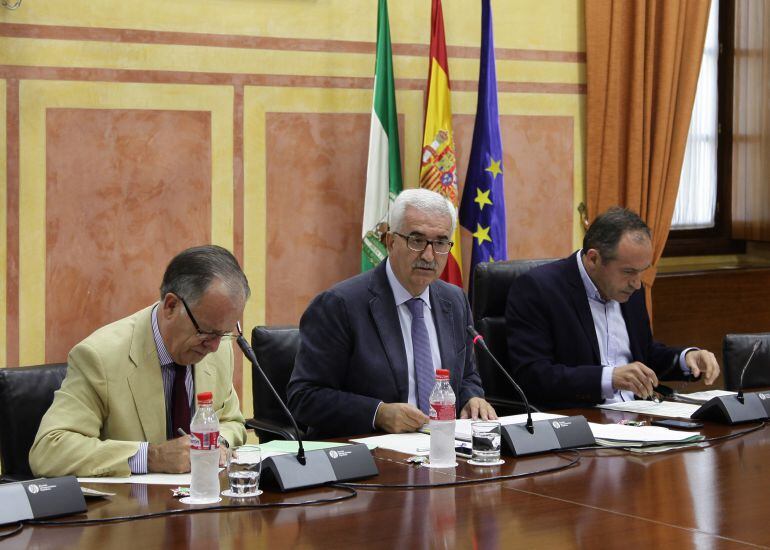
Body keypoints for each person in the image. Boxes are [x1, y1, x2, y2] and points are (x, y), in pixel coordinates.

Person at [287, 189, 496, 437]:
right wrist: (378, 413)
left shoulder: (454, 300)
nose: (429, 255)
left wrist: (473, 398)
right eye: (417, 240)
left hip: (443, 448)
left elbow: (467, 375)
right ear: (390, 241)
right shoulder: (339, 305)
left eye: (440, 243)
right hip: (370, 455)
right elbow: (303, 397)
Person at [29, 245, 249, 477]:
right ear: (171, 306)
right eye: (205, 332)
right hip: (131, 507)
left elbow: (232, 421)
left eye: (223, 333)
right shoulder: (100, 357)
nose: (214, 346)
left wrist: (218, 443)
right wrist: (152, 456)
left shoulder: (219, 348)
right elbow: (49, 450)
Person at [505, 207, 720, 408]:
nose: (637, 283)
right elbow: (533, 376)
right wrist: (609, 378)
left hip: (639, 416)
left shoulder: (631, 290)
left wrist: (685, 358)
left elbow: (644, 354)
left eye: (642, 271)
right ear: (593, 259)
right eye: (628, 272)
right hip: (580, 421)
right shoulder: (539, 289)